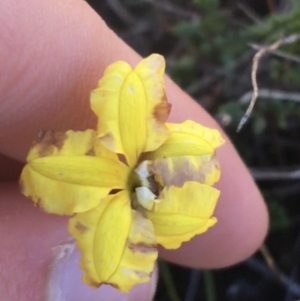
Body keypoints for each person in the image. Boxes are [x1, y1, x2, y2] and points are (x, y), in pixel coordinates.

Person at [0, 0, 268, 300]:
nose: (149, 180)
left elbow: (201, 150)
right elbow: (48, 167)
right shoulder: (123, 152)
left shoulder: (147, 177)